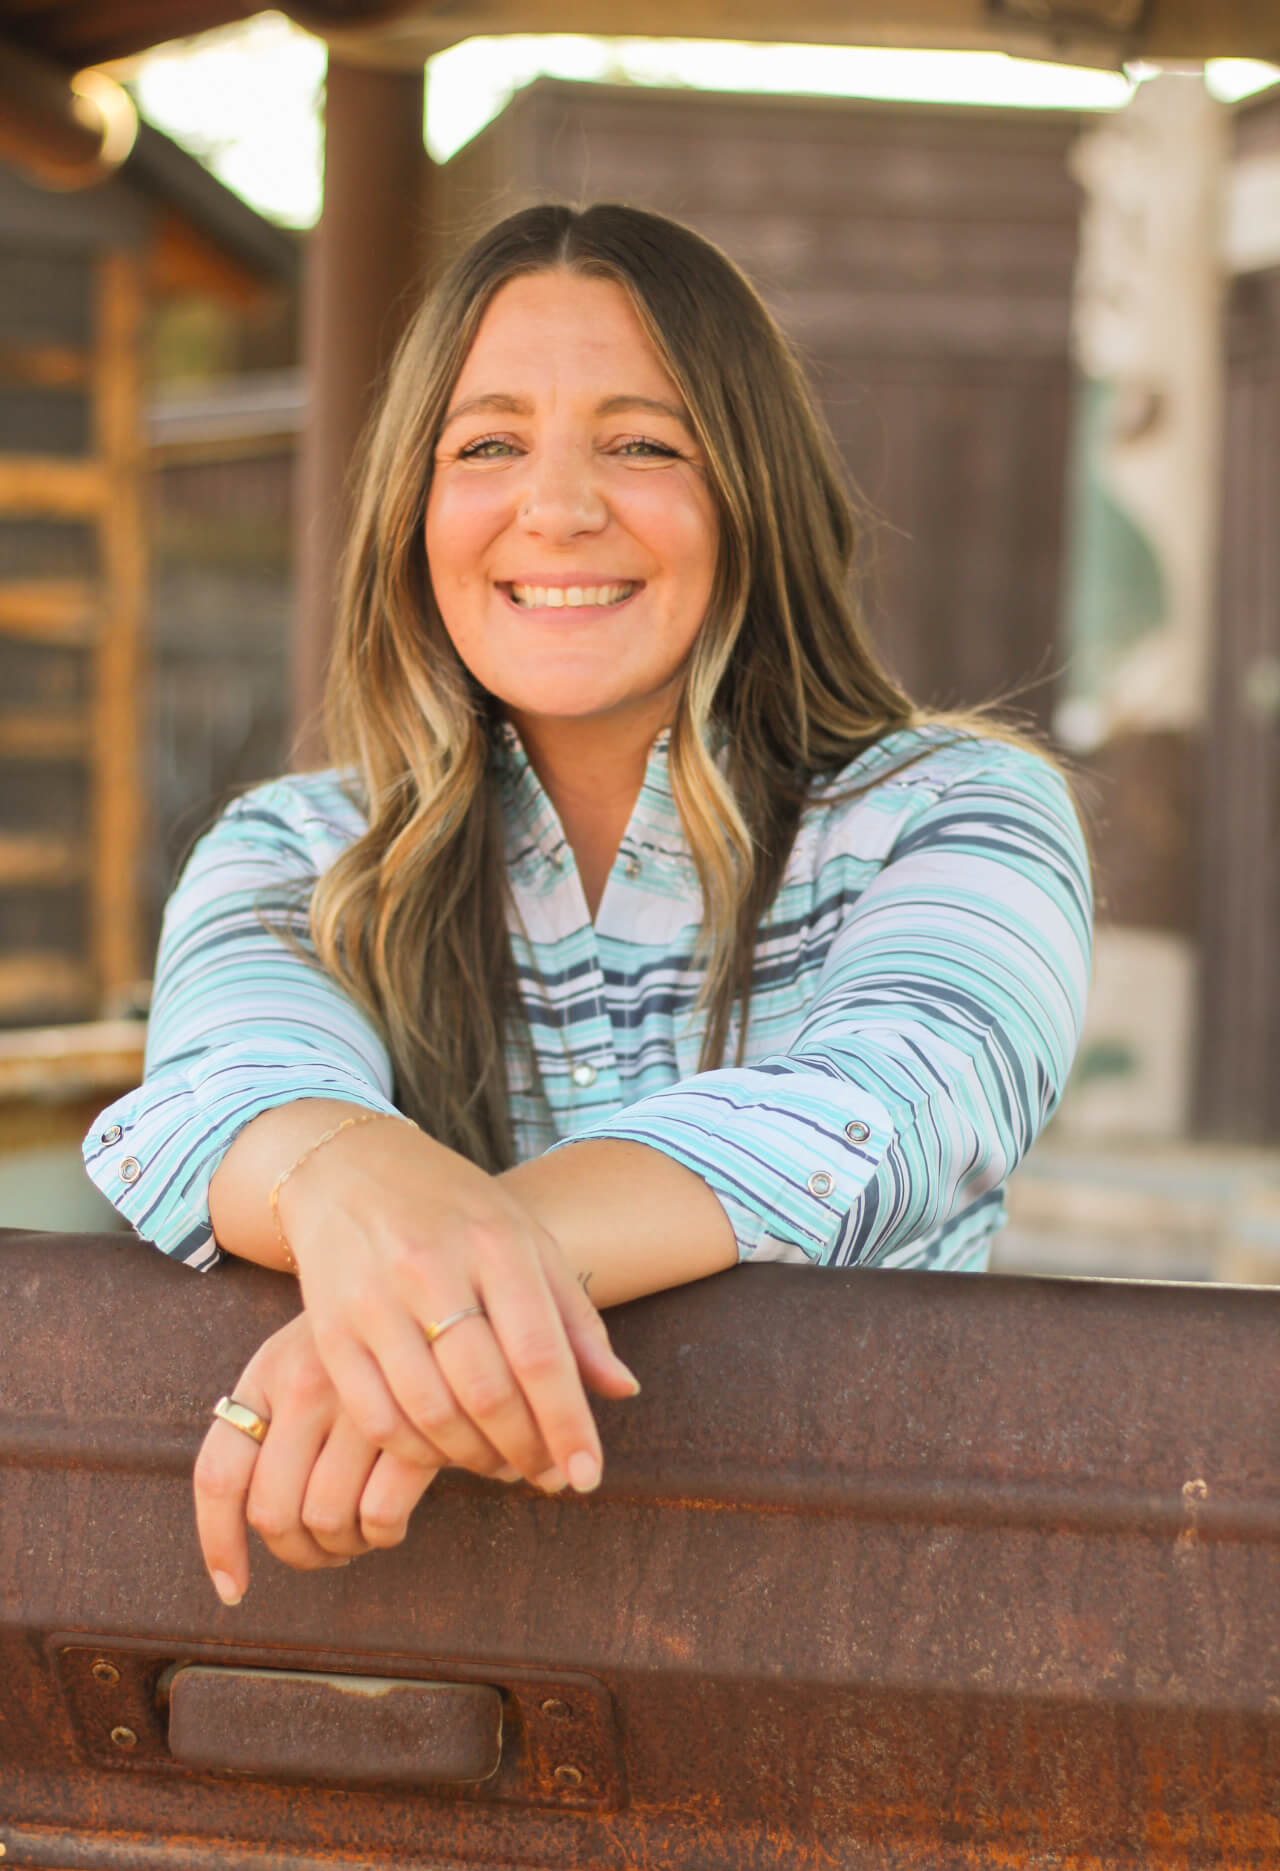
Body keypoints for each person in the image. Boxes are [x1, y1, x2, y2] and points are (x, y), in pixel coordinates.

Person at [84, 203, 1092, 1608]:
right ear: (413, 509)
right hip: (413, 1621)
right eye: (487, 445)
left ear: (752, 491)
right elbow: (225, 1093)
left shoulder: (958, 810)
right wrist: (358, 1189)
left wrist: (410, 1287)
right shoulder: (297, 847)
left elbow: (886, 1109)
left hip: (853, 1611)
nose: (556, 507)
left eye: (642, 444)